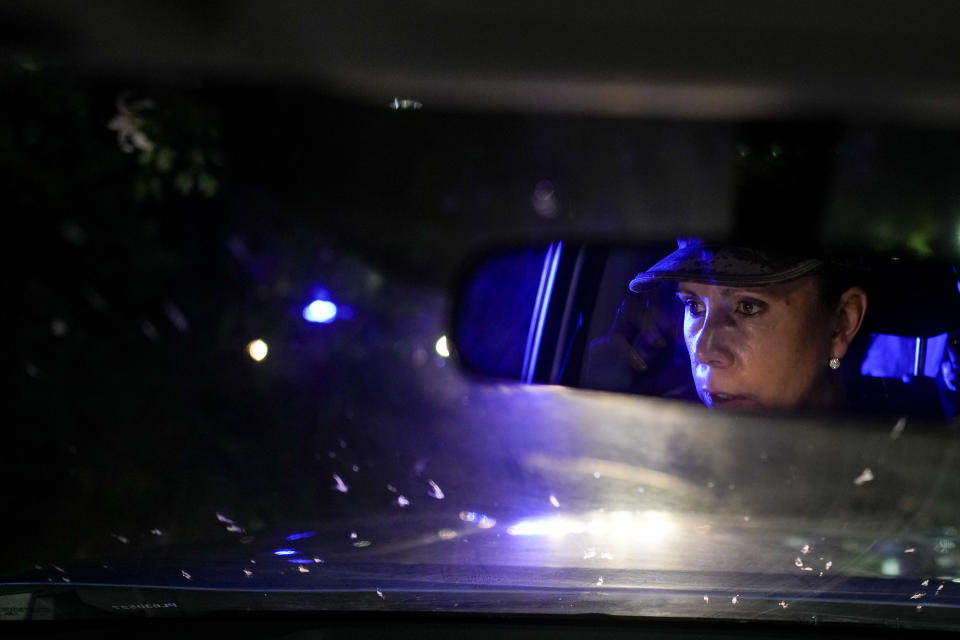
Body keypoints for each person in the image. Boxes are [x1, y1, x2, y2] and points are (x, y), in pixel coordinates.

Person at [628, 241, 869, 413]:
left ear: (841, 323)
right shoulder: (663, 430)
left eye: (748, 307)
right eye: (694, 306)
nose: (703, 352)